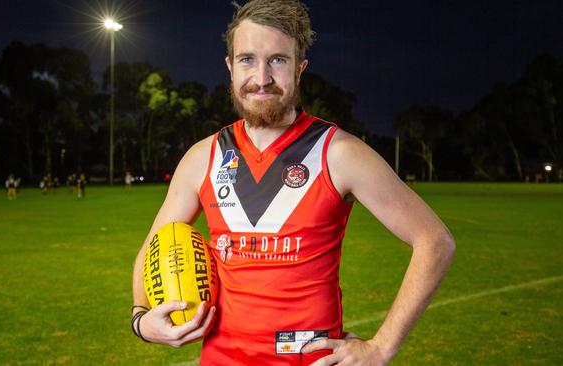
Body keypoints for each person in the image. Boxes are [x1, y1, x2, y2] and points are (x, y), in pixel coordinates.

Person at [131, 1, 455, 365]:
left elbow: (435, 241)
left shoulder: (339, 153)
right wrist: (141, 320)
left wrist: (381, 347)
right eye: (247, 59)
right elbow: (151, 251)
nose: (262, 77)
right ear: (230, 67)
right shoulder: (202, 157)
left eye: (278, 60)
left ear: (300, 68)